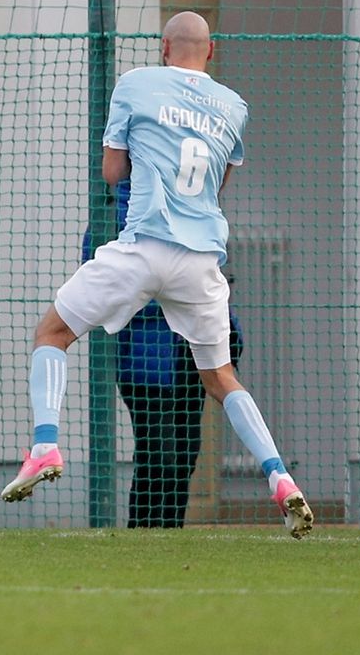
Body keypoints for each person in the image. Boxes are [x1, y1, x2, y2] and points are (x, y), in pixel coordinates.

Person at [0, 11, 314, 539]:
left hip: (145, 245)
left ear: (163, 46)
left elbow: (112, 172)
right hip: (202, 260)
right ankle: (279, 477)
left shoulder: (135, 83)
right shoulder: (234, 106)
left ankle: (44, 446)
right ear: (210, 52)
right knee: (221, 378)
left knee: (52, 334)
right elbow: (217, 185)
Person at [87, 182, 244, 528]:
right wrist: (170, 295)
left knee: (186, 455)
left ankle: (170, 535)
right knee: (160, 457)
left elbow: (209, 274)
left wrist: (229, 327)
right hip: (143, 356)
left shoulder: (192, 206)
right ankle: (142, 534)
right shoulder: (113, 212)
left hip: (189, 352)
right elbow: (100, 280)